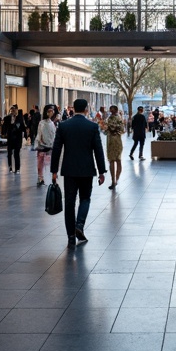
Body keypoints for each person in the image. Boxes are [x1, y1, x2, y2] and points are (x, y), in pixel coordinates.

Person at [50, 98, 106, 248]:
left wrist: (54, 170)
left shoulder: (63, 126)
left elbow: (56, 149)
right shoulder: (92, 127)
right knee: (85, 199)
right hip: (87, 170)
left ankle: (70, 237)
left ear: (73, 108)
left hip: (69, 170)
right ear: (87, 109)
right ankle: (79, 224)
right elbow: (98, 151)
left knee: (69, 202)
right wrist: (102, 171)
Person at [35, 104, 58, 186]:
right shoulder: (42, 123)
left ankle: (45, 178)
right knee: (41, 164)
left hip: (49, 147)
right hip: (43, 146)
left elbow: (53, 135)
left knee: (46, 163)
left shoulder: (52, 123)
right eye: (50, 111)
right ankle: (41, 178)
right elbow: (40, 134)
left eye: (52, 111)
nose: (51, 112)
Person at [104, 105, 124, 188]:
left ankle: (114, 180)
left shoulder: (110, 119)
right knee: (116, 160)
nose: (111, 111)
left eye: (111, 110)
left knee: (114, 160)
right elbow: (122, 130)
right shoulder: (118, 118)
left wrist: (108, 128)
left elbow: (105, 130)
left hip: (112, 140)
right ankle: (115, 179)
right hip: (115, 140)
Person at [3, 105, 27, 173]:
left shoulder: (20, 118)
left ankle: (17, 168)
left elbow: (23, 127)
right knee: (9, 153)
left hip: (17, 138)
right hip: (10, 138)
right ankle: (10, 167)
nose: (13, 111)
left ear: (16, 110)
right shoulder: (7, 118)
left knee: (17, 153)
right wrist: (4, 132)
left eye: (14, 110)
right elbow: (4, 127)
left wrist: (26, 135)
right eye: (11, 110)